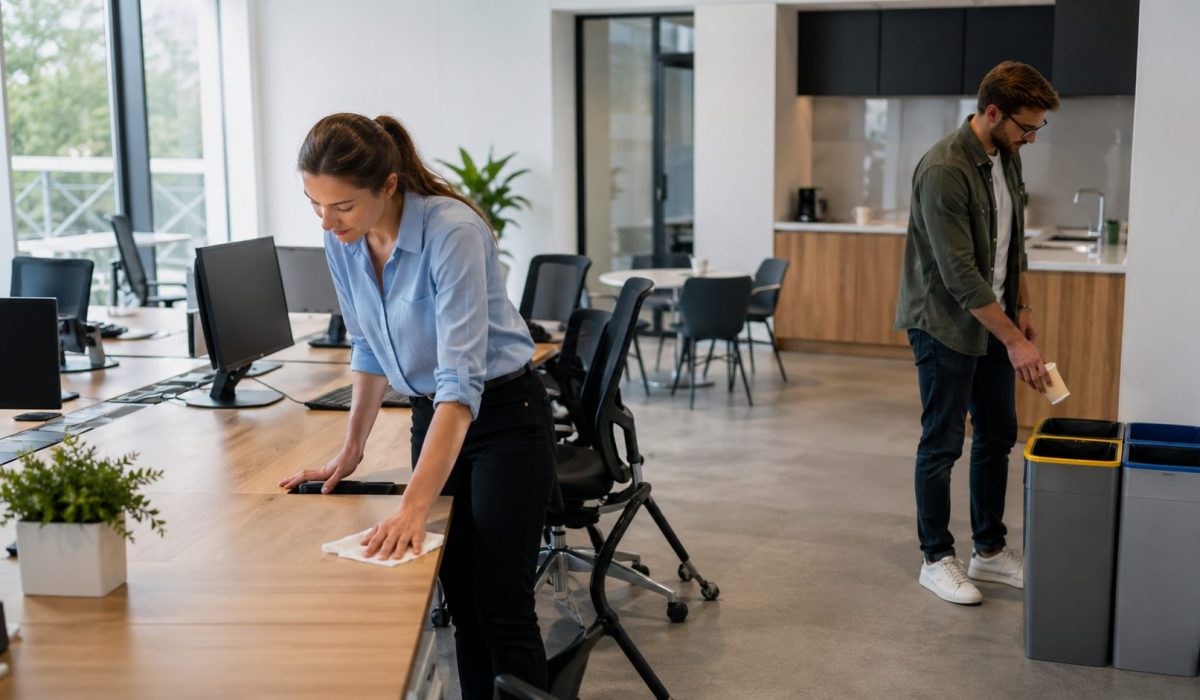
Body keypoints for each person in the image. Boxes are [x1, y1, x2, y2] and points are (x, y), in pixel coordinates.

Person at [279, 113, 556, 696]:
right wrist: (349, 450)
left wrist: (411, 505)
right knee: (458, 599)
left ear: (388, 185)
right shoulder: (345, 242)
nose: (327, 223)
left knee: (503, 602)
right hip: (435, 417)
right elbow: (367, 345)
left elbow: (461, 382)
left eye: (342, 207)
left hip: (504, 418)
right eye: (314, 204)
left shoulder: (451, 232)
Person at [895, 62, 1060, 605]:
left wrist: (1023, 307)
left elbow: (1011, 245)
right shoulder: (945, 169)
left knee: (997, 433)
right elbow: (959, 273)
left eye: (1037, 128)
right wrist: (1016, 340)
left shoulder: (1005, 157)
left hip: (994, 315)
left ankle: (988, 552)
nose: (1031, 138)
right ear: (992, 112)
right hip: (944, 321)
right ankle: (936, 558)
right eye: (1025, 126)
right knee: (943, 441)